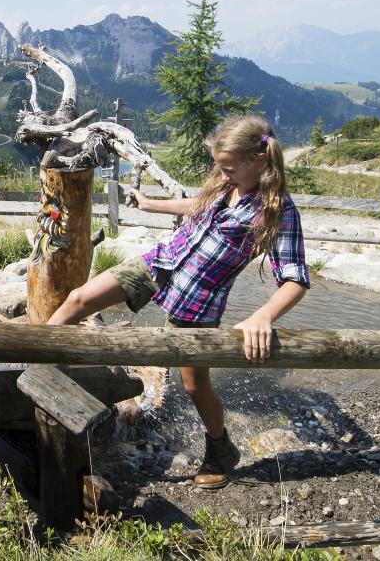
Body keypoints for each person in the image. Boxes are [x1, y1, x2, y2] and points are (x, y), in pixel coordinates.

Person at [46, 115, 309, 489]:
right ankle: (32, 368)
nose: (224, 174)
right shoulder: (225, 182)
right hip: (162, 262)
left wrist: (262, 316)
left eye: (230, 168)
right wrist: (152, 205)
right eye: (220, 166)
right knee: (78, 299)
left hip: (198, 300)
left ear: (259, 161)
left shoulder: (278, 210)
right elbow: (198, 206)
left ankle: (220, 449)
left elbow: (295, 278)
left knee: (193, 385)